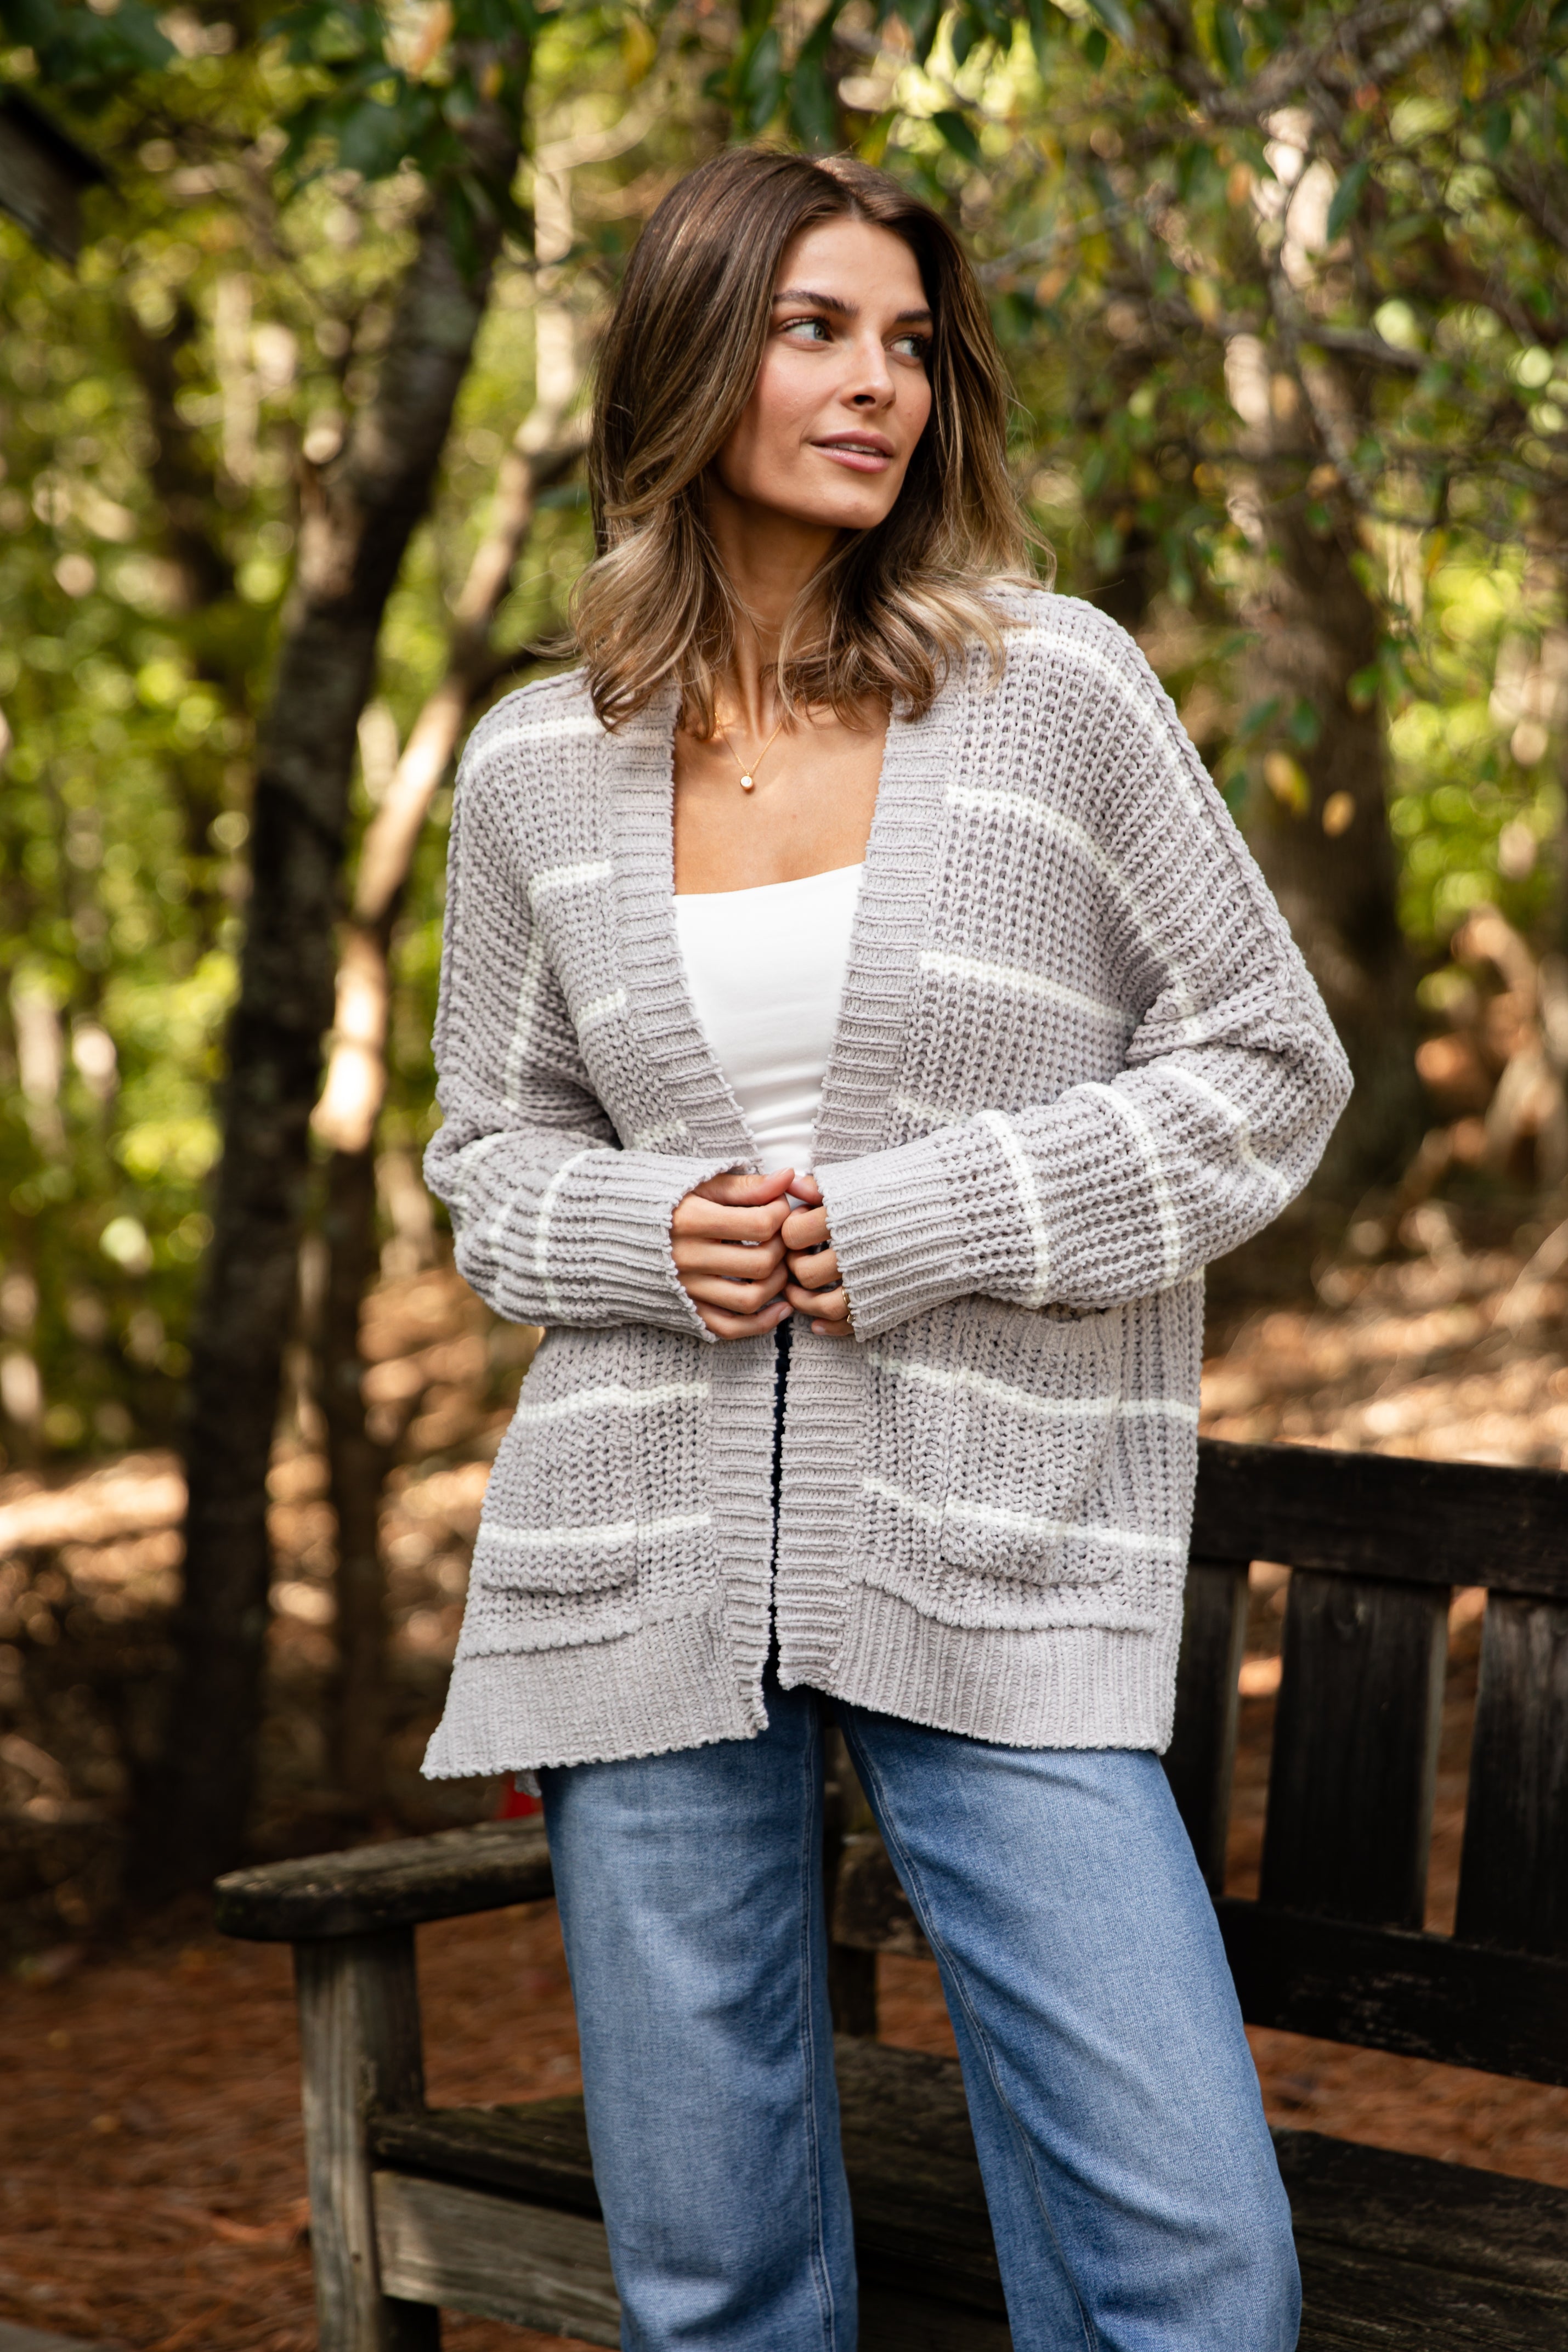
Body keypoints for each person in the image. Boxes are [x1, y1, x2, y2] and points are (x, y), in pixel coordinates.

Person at [420, 146, 1349, 2352]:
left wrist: (915, 1222)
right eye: (814, 329)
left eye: (912, 343)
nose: (879, 386)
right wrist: (657, 1229)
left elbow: (1263, 1066)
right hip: (635, 1563)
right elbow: (487, 1153)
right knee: (716, 2279)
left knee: (1192, 2269)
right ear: (686, 353)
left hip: (999, 1540)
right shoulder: (531, 766)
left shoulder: (1053, 692)